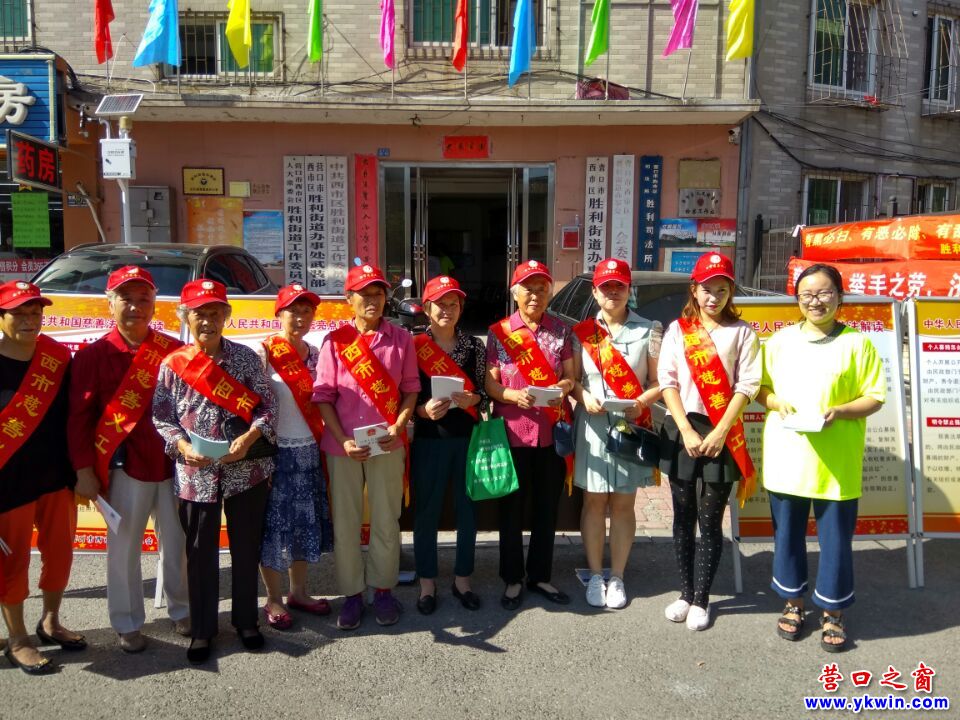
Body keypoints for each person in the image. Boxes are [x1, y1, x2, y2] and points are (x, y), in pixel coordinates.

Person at [757, 263, 884, 653]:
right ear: (797, 300)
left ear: (839, 297)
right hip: (787, 457)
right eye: (807, 295)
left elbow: (874, 396)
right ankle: (793, 603)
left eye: (824, 293)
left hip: (836, 463)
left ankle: (833, 610)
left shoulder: (857, 344)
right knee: (787, 536)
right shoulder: (778, 342)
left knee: (836, 541)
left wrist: (841, 411)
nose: (815, 301)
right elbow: (760, 389)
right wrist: (776, 403)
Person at [153, 279, 276, 664]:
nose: (207, 321)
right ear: (185, 317)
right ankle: (203, 630)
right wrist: (183, 448)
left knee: (246, 548)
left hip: (247, 470)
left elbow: (267, 407)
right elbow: (162, 417)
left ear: (226, 316)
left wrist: (250, 437)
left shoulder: (246, 359)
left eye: (214, 313)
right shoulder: (173, 364)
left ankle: (246, 622)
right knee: (199, 553)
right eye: (199, 314)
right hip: (196, 474)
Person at [68, 267, 190, 654]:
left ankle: (182, 610)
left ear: (155, 305)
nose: (136, 307)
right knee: (123, 550)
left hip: (173, 466)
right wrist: (83, 470)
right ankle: (126, 621)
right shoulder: (92, 356)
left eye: (144, 299)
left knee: (178, 543)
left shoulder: (174, 351)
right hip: (124, 470)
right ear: (110, 304)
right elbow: (78, 420)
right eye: (126, 299)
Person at [657, 253, 760, 631]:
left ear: (731, 291)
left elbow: (747, 384)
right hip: (682, 428)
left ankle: (702, 599)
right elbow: (667, 380)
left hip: (722, 431)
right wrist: (685, 429)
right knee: (683, 516)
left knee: (711, 519)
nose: (713, 297)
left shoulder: (743, 332)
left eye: (721, 289)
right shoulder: (678, 329)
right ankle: (685, 593)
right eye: (707, 289)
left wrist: (720, 432)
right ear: (694, 290)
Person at [313, 263, 419, 630]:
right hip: (342, 446)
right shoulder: (335, 342)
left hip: (387, 442)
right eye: (364, 294)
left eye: (378, 293)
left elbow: (410, 390)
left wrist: (399, 426)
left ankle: (384, 590)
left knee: (386, 520)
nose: (372, 300)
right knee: (345, 522)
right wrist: (342, 439)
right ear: (349, 299)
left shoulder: (401, 339)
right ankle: (352, 594)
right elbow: (323, 396)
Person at [0, 281, 83, 674]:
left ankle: (50, 621)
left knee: (60, 555)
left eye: (35, 312)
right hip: (8, 485)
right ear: (2, 317)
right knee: (12, 563)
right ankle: (17, 639)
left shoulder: (57, 357)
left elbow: (75, 416)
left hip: (56, 478)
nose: (29, 320)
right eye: (19, 313)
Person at [570, 259, 662, 609]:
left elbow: (659, 382)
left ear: (628, 290)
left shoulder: (650, 329)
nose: (612, 292)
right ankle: (596, 575)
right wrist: (583, 396)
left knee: (623, 502)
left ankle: (618, 576)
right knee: (594, 501)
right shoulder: (581, 332)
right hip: (592, 427)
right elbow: (572, 380)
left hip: (631, 427)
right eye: (605, 287)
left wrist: (642, 401)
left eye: (619, 286)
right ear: (594, 292)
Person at [484, 260, 576, 610]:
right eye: (528, 289)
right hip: (512, 433)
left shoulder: (561, 331)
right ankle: (512, 578)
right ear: (515, 293)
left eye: (541, 289)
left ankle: (540, 575)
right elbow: (490, 382)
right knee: (511, 508)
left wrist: (559, 389)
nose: (535, 295)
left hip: (551, 432)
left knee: (546, 508)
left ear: (549, 293)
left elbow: (570, 378)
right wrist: (512, 395)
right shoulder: (499, 332)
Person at [257, 284, 333, 629]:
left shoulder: (317, 355)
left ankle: (298, 592)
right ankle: (272, 598)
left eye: (307, 311)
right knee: (274, 528)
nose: (300, 318)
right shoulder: (262, 353)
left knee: (304, 525)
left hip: (309, 452)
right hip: (276, 454)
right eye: (293, 311)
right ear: (279, 313)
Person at [411, 276, 485, 615]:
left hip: (468, 439)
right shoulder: (413, 346)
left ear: (461, 308)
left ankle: (463, 579)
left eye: (453, 304)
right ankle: (427, 582)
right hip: (429, 441)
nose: (447, 310)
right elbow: (403, 394)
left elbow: (484, 391)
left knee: (467, 510)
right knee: (426, 511)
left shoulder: (474, 346)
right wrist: (421, 410)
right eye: (440, 304)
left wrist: (473, 398)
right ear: (427, 309)